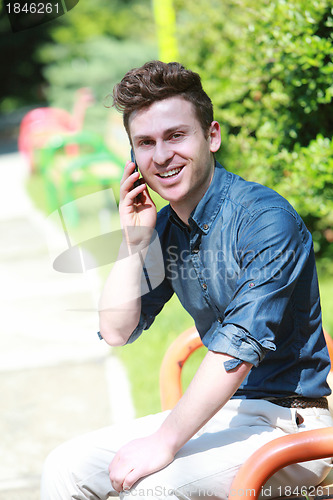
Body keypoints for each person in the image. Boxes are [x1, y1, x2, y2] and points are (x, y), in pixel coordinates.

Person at [41, 60, 332, 500]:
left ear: (211, 136)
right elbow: (118, 332)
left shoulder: (266, 220)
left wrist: (165, 440)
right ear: (134, 157)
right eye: (145, 143)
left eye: (176, 135)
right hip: (228, 413)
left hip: (294, 424)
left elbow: (237, 348)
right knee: (66, 466)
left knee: (154, 488)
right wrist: (133, 242)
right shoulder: (162, 228)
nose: (161, 156)